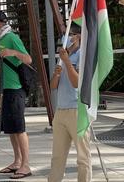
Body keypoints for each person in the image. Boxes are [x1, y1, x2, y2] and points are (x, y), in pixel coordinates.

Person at [0, 9, 32, 179]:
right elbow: (2, 58)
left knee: (19, 128)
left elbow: (28, 59)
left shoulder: (11, 37)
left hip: (16, 88)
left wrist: (13, 52)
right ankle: (17, 161)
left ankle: (26, 165)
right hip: (5, 88)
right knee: (11, 129)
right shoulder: (0, 39)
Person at [48, 23, 91, 182]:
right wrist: (57, 74)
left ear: (78, 36)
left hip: (77, 111)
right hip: (60, 111)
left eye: (69, 34)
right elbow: (53, 86)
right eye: (64, 34)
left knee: (82, 156)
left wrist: (66, 62)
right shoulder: (63, 55)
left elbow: (76, 83)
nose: (65, 38)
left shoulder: (82, 55)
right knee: (57, 156)